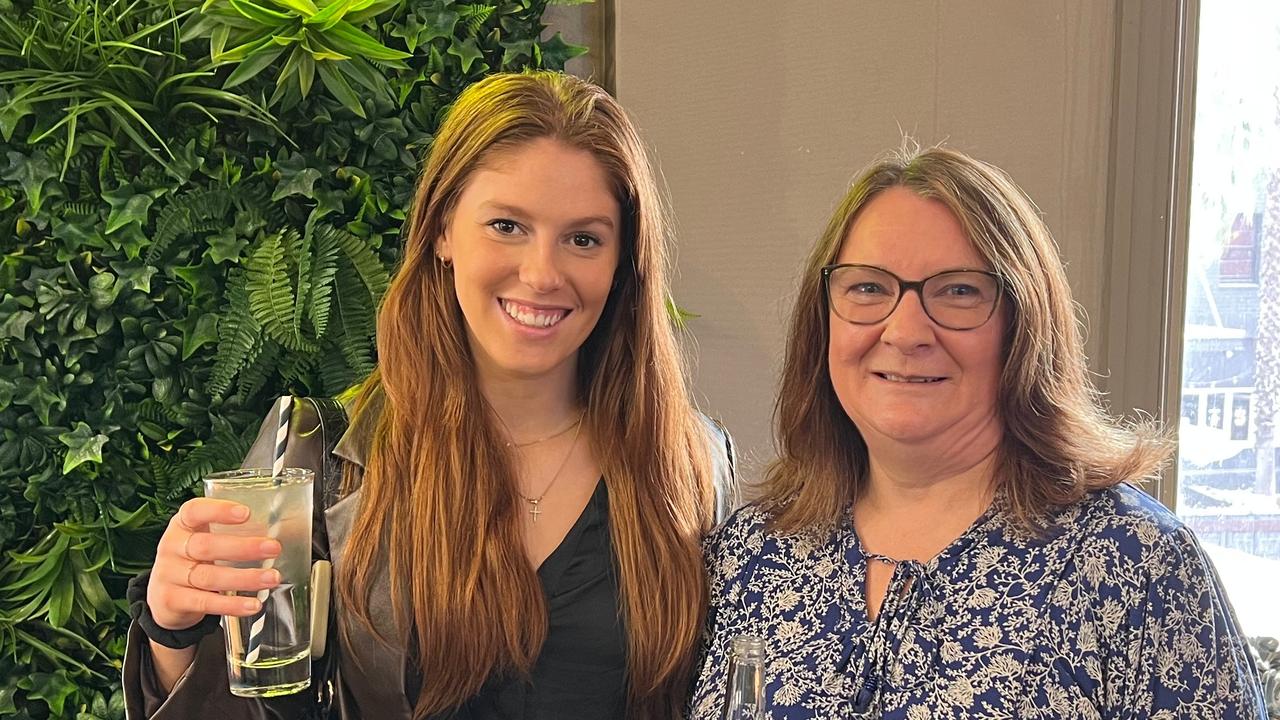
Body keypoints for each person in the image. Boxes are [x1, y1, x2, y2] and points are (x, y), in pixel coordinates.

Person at [122, 70, 736, 720]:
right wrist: (171, 629)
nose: (542, 273)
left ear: (622, 263)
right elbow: (241, 708)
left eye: (583, 239)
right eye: (507, 225)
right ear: (443, 230)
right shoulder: (321, 461)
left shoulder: (693, 465)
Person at [688, 145, 1268, 719]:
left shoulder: (1134, 566)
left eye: (959, 290)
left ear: (1023, 326)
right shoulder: (751, 554)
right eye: (868, 288)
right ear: (825, 321)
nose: (906, 331)